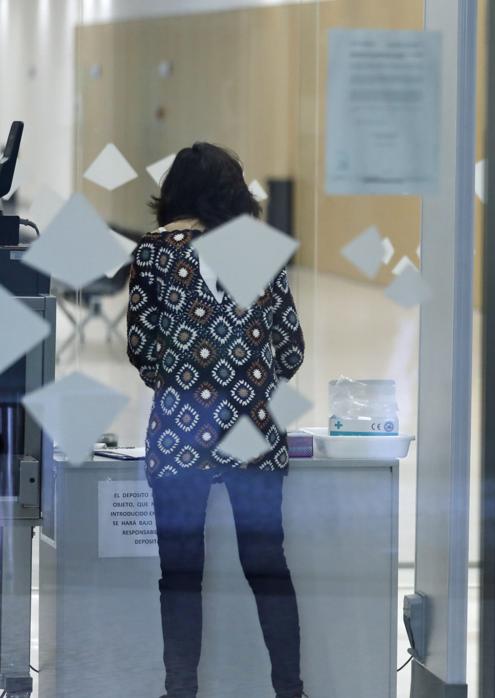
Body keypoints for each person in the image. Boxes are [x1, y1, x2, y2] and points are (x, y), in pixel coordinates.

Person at [126, 142, 306, 698]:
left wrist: (183, 382)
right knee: (268, 564)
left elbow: (141, 350)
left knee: (180, 574)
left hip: (180, 432)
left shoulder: (153, 254)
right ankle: (289, 690)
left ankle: (179, 689)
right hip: (253, 433)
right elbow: (292, 350)